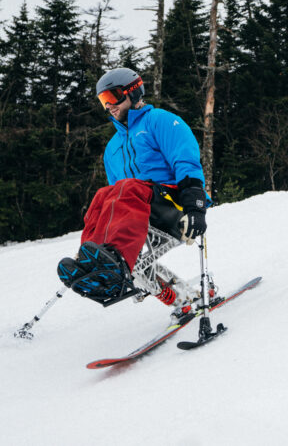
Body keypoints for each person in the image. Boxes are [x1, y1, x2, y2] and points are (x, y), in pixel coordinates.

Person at [59, 67, 209, 319]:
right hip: (138, 214)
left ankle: (114, 261)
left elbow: (185, 160)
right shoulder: (112, 149)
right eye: (103, 101)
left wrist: (195, 206)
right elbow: (115, 200)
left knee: (126, 187)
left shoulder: (159, 121)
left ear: (133, 92)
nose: (109, 106)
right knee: (103, 196)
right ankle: (92, 260)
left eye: (112, 97)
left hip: (172, 205)